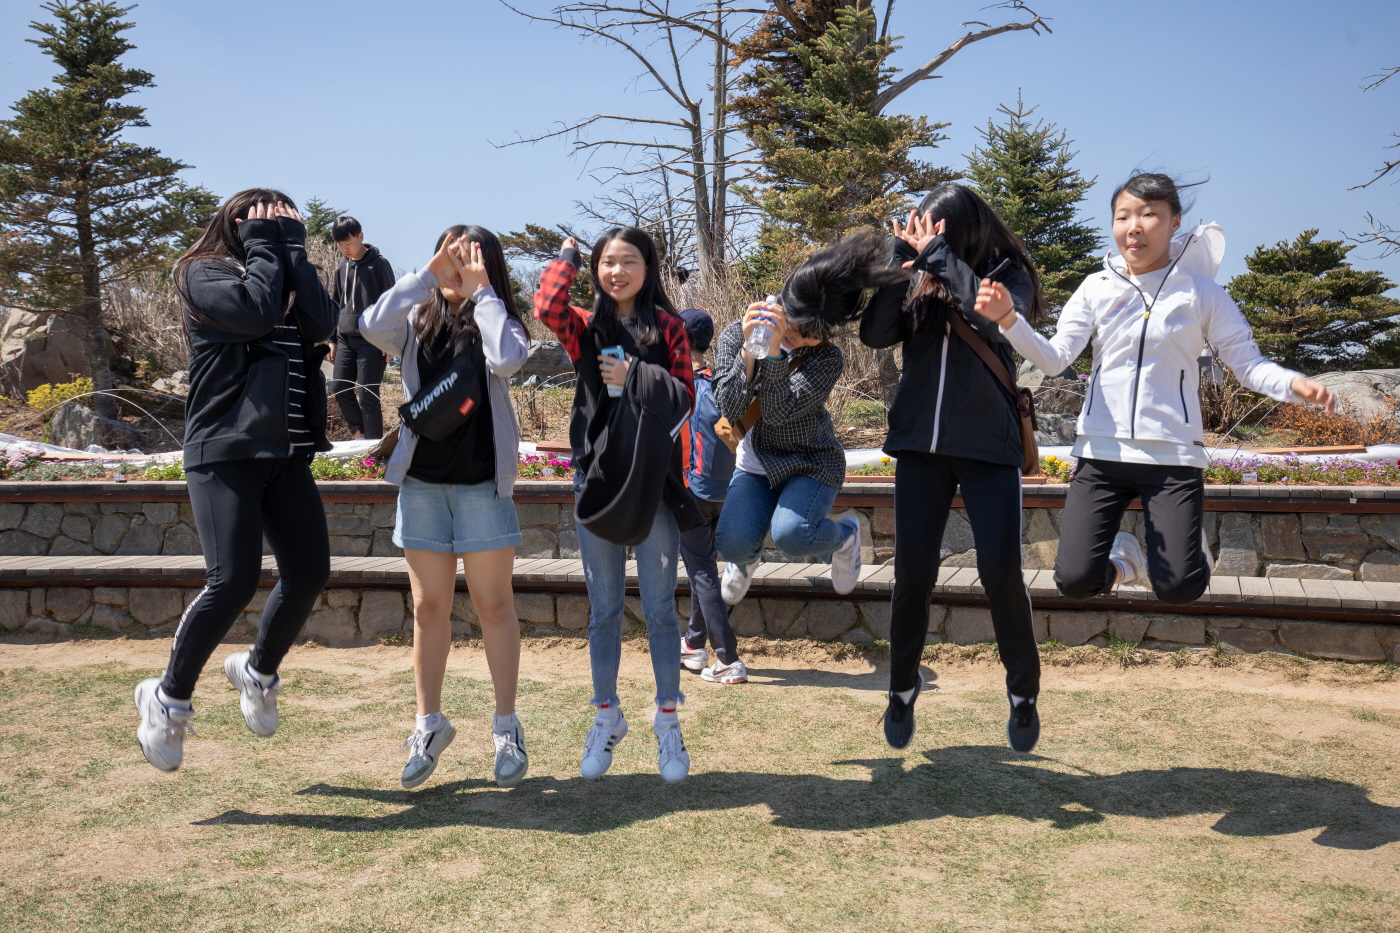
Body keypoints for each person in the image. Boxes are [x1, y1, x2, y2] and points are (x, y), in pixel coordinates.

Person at [974, 172, 1334, 608]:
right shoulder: (1096, 287)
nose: (1135, 226)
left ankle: (1183, 558)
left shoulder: (1202, 294)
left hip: (1172, 455)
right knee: (1074, 580)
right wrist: (1010, 319)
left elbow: (1248, 365)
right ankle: (1127, 563)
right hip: (1101, 453)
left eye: (1149, 214)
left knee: (1179, 587)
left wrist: (1294, 384)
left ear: (1175, 222)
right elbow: (1053, 359)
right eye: (1123, 216)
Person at [134, 190, 335, 771]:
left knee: (310, 572)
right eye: (264, 220)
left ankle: (258, 670)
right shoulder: (202, 272)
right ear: (237, 225)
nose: (277, 228)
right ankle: (167, 699)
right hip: (224, 449)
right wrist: (266, 247)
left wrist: (293, 252)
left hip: (287, 451)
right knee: (233, 581)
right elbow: (252, 312)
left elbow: (323, 323)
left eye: (285, 220)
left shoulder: (285, 270)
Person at [861, 184, 1045, 754]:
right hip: (920, 444)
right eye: (921, 228)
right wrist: (899, 263)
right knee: (912, 575)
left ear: (961, 228)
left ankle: (1022, 694)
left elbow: (994, 324)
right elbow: (875, 334)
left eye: (936, 230)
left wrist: (940, 261)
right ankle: (900, 689)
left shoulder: (1008, 273)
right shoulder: (917, 268)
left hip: (988, 445)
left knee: (1000, 571)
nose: (927, 237)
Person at [358, 226, 531, 790]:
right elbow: (368, 325)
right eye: (451, 257)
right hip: (424, 485)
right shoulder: (415, 322)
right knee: (429, 608)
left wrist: (483, 296)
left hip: (482, 485)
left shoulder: (496, 321)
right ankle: (428, 725)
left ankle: (506, 727)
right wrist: (425, 277)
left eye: (469, 258)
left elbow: (507, 361)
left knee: (493, 605)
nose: (458, 267)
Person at [533, 227, 695, 783]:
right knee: (603, 608)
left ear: (648, 268)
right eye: (607, 262)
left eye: (628, 261)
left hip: (654, 485)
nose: (617, 271)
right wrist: (567, 255)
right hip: (597, 482)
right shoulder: (586, 325)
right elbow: (545, 304)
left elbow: (686, 398)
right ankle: (607, 715)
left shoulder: (669, 328)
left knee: (657, 610)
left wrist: (636, 376)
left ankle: (667, 719)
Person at [712, 231, 901, 607]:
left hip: (810, 461)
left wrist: (776, 358)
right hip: (754, 465)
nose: (798, 338)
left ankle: (845, 534)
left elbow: (780, 413)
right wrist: (751, 353)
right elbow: (728, 408)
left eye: (813, 335)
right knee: (731, 542)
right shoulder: (739, 331)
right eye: (797, 327)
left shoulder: (827, 359)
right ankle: (745, 560)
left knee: (792, 535)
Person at [676, 307, 746, 684]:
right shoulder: (721, 382)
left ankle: (728, 658)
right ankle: (693, 643)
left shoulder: (682, 382)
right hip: (724, 489)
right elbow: (739, 429)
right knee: (702, 568)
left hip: (692, 491)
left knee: (702, 572)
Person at [330, 216, 396, 439]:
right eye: (340, 245)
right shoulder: (341, 267)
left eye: (348, 243)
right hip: (346, 339)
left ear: (361, 236)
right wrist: (332, 339)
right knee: (339, 387)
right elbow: (335, 303)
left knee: (367, 393)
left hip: (373, 340)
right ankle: (359, 433)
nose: (344, 249)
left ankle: (373, 451)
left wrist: (391, 340)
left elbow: (392, 304)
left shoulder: (379, 264)